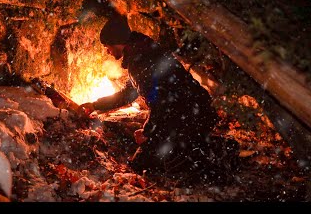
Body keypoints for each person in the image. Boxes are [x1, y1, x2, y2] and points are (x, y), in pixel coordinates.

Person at [80, 14, 239, 178]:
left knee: (146, 164)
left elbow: (161, 103)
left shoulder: (141, 61)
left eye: (107, 46)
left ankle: (217, 151)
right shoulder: (141, 54)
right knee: (153, 158)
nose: (107, 51)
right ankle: (204, 147)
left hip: (190, 114)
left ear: (118, 42)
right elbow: (128, 94)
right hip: (190, 111)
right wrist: (95, 105)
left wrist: (147, 133)